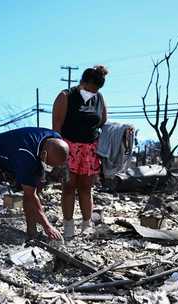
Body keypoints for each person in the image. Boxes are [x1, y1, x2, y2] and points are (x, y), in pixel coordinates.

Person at [0, 127, 69, 250]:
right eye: (51, 164)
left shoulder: (56, 139)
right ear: (44, 154)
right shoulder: (27, 157)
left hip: (14, 156)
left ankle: (31, 232)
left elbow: (31, 191)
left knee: (35, 186)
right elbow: (30, 196)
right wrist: (47, 226)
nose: (51, 167)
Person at [52, 65, 108, 239]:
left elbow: (103, 121)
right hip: (69, 146)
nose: (93, 92)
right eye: (91, 89)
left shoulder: (99, 98)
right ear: (84, 82)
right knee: (69, 187)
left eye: (97, 90)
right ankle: (68, 226)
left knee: (86, 188)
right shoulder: (66, 96)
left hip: (89, 149)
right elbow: (56, 127)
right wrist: (58, 152)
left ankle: (86, 224)